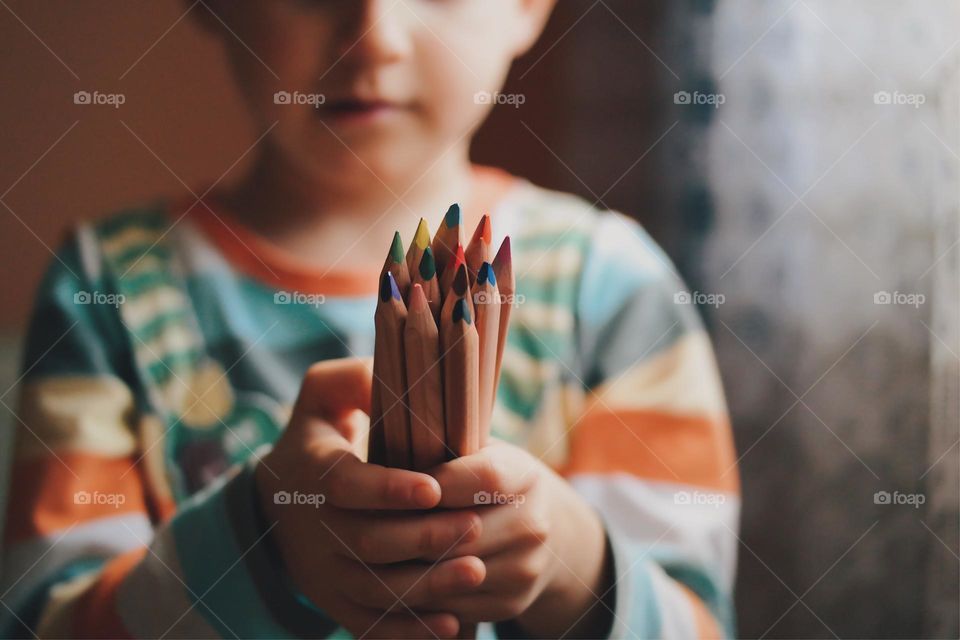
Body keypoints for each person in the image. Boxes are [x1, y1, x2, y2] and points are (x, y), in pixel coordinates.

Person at [0, 1, 739, 637]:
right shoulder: (108, 291)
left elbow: (697, 622)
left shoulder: (615, 291)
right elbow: (46, 624)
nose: (373, 35)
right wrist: (261, 543)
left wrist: (577, 568)